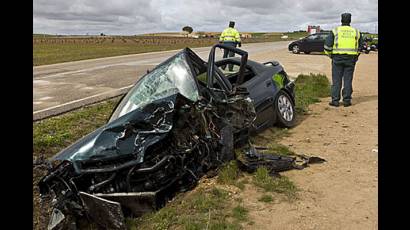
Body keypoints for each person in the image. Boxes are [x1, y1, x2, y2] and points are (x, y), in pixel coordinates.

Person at [324, 13, 363, 107]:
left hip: (337, 58)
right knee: (348, 80)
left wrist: (330, 55)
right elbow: (360, 47)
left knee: (336, 80)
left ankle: (335, 101)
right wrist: (355, 56)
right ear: (350, 20)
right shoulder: (356, 32)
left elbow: (327, 46)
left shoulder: (335, 31)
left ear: (341, 20)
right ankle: (346, 101)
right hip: (350, 59)